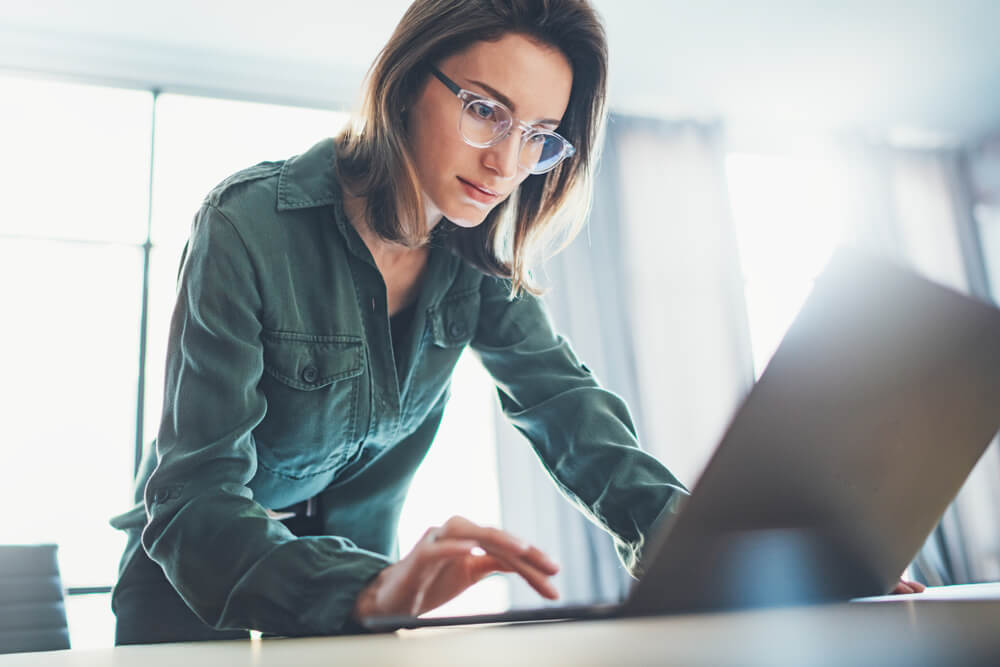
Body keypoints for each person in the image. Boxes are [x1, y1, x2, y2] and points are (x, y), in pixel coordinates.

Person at [109, 0, 922, 645]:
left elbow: (573, 415)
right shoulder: (248, 225)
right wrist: (360, 589)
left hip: (357, 598)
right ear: (404, 80)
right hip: (192, 593)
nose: (505, 162)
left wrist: (745, 552)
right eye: (485, 110)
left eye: (537, 136)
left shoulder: (476, 268)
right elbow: (190, 494)